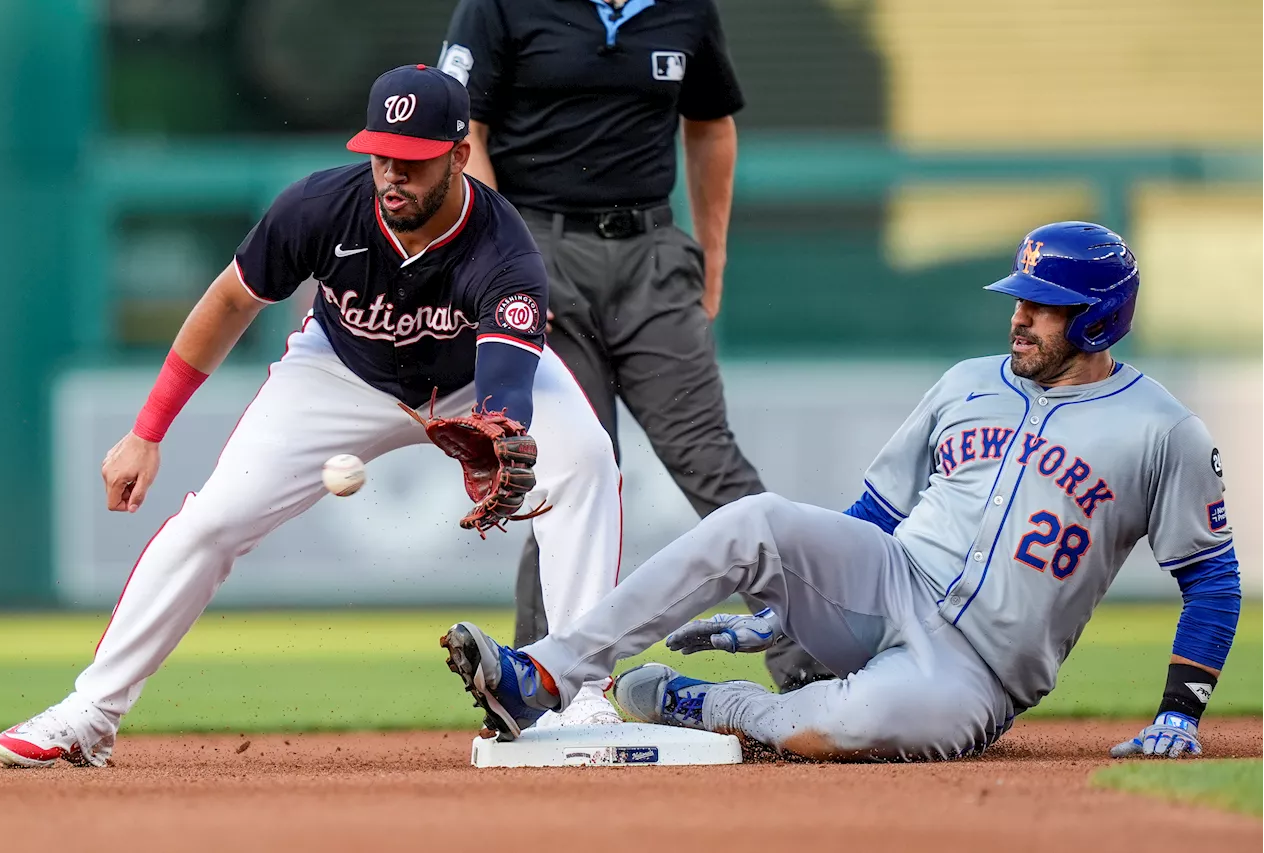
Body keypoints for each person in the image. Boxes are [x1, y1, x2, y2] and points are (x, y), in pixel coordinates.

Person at [0, 64, 625, 769]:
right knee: (212, 521)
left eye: (413, 161)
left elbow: (507, 384)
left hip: (468, 380)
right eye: (382, 153)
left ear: (458, 155)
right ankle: (90, 714)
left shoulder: (504, 250)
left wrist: (497, 432)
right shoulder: (320, 207)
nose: (393, 174)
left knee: (587, 460)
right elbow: (231, 301)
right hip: (338, 372)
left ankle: (581, 689)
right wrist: (148, 430)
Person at [439, 221, 1242, 761]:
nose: (1020, 317)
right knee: (756, 520)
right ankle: (543, 674)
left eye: (1046, 307)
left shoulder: (1161, 431)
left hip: (978, 672)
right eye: (1021, 300)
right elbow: (874, 516)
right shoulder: (967, 382)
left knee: (832, 726)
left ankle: (704, 705)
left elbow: (1210, 577)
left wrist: (1181, 709)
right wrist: (782, 604)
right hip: (893, 577)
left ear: (1099, 320)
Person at [437, 0, 834, 692]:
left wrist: (712, 255)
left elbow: (710, 126)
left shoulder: (684, 8)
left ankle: (812, 667)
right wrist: (505, 266)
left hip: (651, 252)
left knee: (711, 462)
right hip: (539, 246)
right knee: (574, 470)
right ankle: (534, 686)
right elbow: (466, 131)